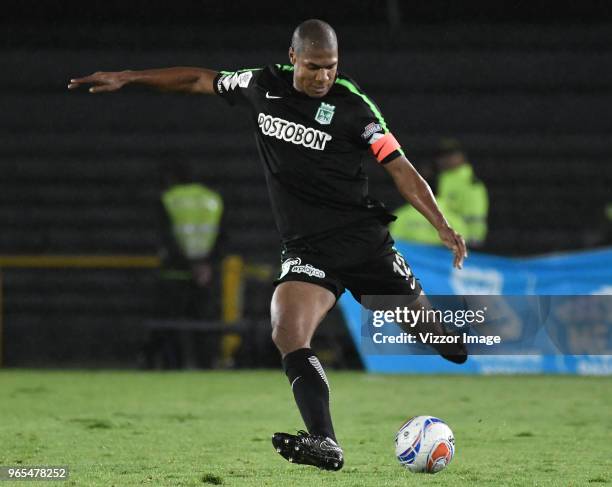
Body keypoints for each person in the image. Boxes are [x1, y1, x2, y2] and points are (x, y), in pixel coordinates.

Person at [68, 19, 468, 471]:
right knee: (286, 332)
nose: (322, 77)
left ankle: (459, 335)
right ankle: (325, 442)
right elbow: (201, 79)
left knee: (440, 339)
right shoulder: (262, 85)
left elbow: (398, 166)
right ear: (293, 58)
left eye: (331, 68)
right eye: (314, 67)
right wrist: (130, 78)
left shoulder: (354, 107)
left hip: (363, 246)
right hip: (306, 248)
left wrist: (441, 222)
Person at [391, 139, 488, 247]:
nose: (445, 160)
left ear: (462, 156)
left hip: (464, 241)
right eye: (441, 156)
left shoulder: (470, 183)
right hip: (442, 239)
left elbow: (474, 216)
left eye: (450, 155)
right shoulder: (438, 179)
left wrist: (472, 242)